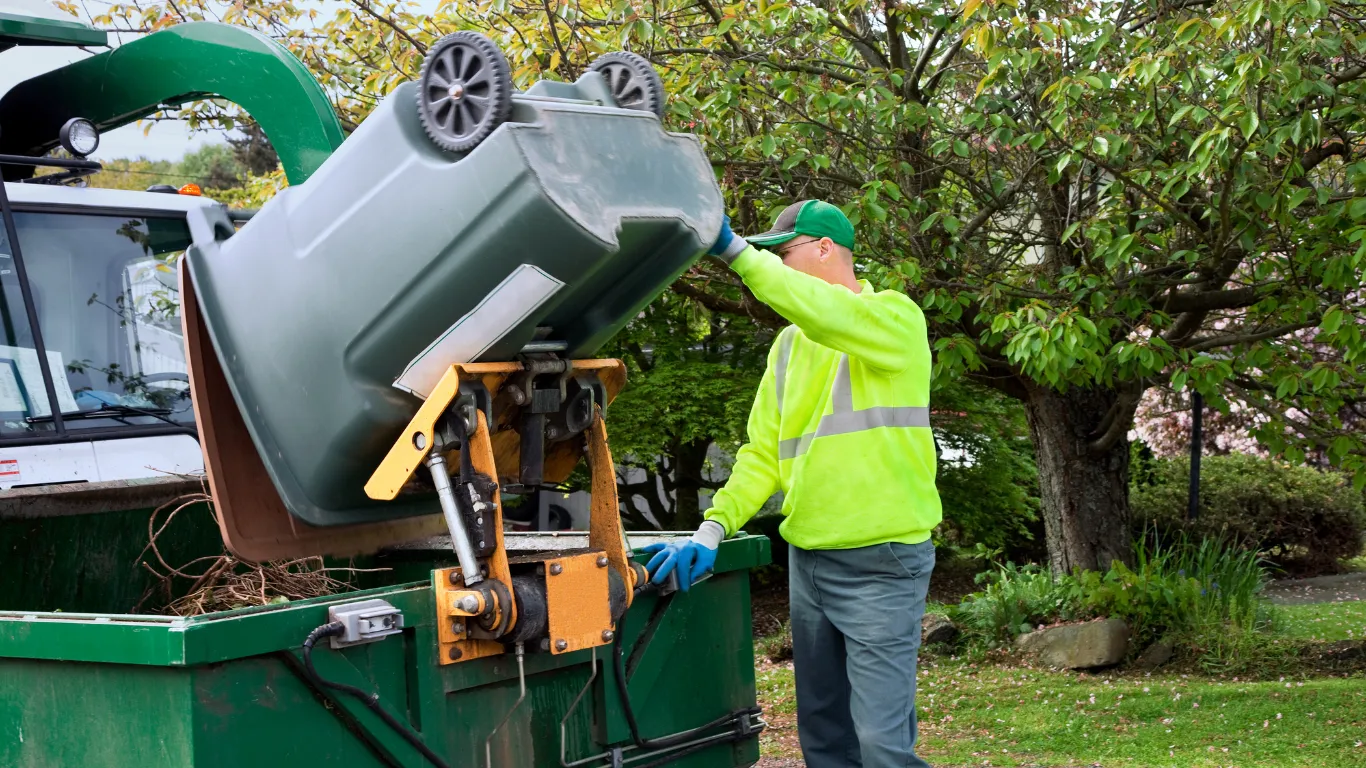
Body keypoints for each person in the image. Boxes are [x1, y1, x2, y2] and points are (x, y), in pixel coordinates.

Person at [642, 200, 942, 768]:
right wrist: (713, 527)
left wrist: (736, 254)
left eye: (784, 252)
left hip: (883, 563)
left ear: (825, 249)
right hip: (810, 564)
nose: (775, 265)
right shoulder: (788, 348)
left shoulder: (896, 320)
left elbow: (826, 311)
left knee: (881, 744)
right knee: (824, 739)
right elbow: (763, 455)